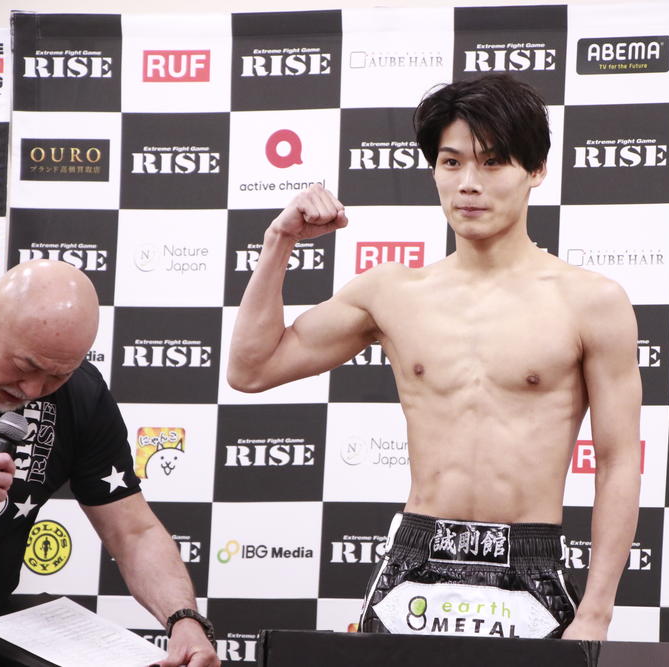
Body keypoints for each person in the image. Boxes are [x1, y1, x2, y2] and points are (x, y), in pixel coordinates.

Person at [228, 74, 641, 641]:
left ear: (537, 170)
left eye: (492, 163)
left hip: (529, 565)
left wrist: (596, 611)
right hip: (415, 558)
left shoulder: (592, 302)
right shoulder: (392, 292)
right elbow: (251, 370)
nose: (469, 184)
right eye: (452, 163)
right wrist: (279, 241)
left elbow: (618, 461)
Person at [0, 260, 219, 667]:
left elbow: (133, 532)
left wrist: (184, 620)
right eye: (26, 366)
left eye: (58, 375)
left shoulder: (82, 395)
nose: (33, 389)